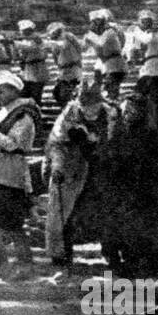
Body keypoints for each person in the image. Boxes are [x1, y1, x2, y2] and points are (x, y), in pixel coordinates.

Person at [83, 93, 158, 279]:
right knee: (111, 229)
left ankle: (139, 266)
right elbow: (104, 157)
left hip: (143, 193)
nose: (126, 114)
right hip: (117, 190)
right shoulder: (115, 131)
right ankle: (115, 262)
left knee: (139, 234)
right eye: (124, 110)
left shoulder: (153, 138)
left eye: (131, 111)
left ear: (141, 113)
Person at [44, 78, 117, 279]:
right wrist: (57, 166)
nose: (90, 110)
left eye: (93, 105)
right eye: (86, 106)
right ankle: (61, 259)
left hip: (101, 167)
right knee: (64, 213)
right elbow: (56, 143)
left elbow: (117, 141)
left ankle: (113, 257)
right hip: (72, 166)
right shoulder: (70, 113)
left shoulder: (111, 113)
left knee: (107, 211)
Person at [0, 71, 40, 282]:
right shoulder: (1, 113)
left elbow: (14, 144)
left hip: (11, 172)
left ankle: (25, 265)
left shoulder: (24, 115)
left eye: (2, 91)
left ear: (15, 90)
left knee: (12, 223)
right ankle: (0, 264)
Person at [129, 9, 158, 127]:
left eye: (146, 22)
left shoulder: (152, 33)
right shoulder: (157, 32)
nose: (144, 24)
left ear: (150, 22)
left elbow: (144, 40)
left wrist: (135, 31)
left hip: (154, 66)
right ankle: (151, 120)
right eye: (143, 22)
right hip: (154, 65)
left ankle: (152, 122)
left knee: (149, 94)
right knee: (150, 93)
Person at [85, 8, 126, 102]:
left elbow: (100, 44)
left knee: (111, 87)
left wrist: (91, 40)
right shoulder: (100, 32)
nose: (95, 25)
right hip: (105, 62)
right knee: (101, 83)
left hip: (113, 63)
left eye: (97, 21)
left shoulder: (110, 31)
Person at [48, 21, 85, 106]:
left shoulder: (69, 37)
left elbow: (78, 48)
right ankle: (66, 107)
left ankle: (73, 107)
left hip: (73, 67)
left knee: (72, 89)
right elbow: (55, 56)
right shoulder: (54, 42)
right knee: (58, 92)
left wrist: (78, 60)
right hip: (64, 69)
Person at [15, 19, 49, 105]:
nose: (22, 32)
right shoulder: (24, 40)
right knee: (25, 94)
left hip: (38, 68)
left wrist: (15, 43)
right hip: (28, 69)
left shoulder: (37, 39)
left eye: (24, 30)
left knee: (36, 94)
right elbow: (19, 57)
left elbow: (32, 48)